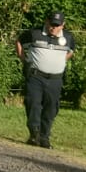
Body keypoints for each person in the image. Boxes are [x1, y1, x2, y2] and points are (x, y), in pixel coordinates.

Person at [17, 11, 75, 148]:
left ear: (63, 25)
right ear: (46, 22)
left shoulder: (68, 37)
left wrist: (60, 62)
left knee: (51, 108)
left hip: (55, 79)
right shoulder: (35, 33)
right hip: (36, 76)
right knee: (33, 105)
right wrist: (24, 59)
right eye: (51, 24)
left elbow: (71, 51)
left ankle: (44, 137)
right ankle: (34, 133)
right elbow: (19, 41)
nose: (53, 28)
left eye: (57, 25)